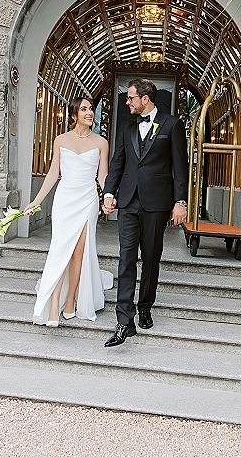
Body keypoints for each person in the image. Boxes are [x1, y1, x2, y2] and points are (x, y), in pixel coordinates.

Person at [102, 78, 189, 347]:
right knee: (126, 257)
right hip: (128, 202)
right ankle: (123, 320)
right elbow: (118, 162)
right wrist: (108, 193)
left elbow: (181, 167)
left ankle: (145, 306)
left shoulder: (172, 125)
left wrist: (180, 202)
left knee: (151, 257)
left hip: (157, 203)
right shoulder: (127, 126)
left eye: (130, 98)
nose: (127, 102)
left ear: (145, 99)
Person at [24, 96, 113, 327]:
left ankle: (71, 298)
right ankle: (54, 304)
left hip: (87, 200)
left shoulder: (101, 142)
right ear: (74, 115)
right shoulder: (61, 140)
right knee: (61, 250)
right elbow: (54, 173)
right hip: (65, 199)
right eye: (84, 109)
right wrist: (36, 201)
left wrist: (109, 196)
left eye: (91, 109)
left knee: (79, 253)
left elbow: (103, 176)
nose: (89, 112)